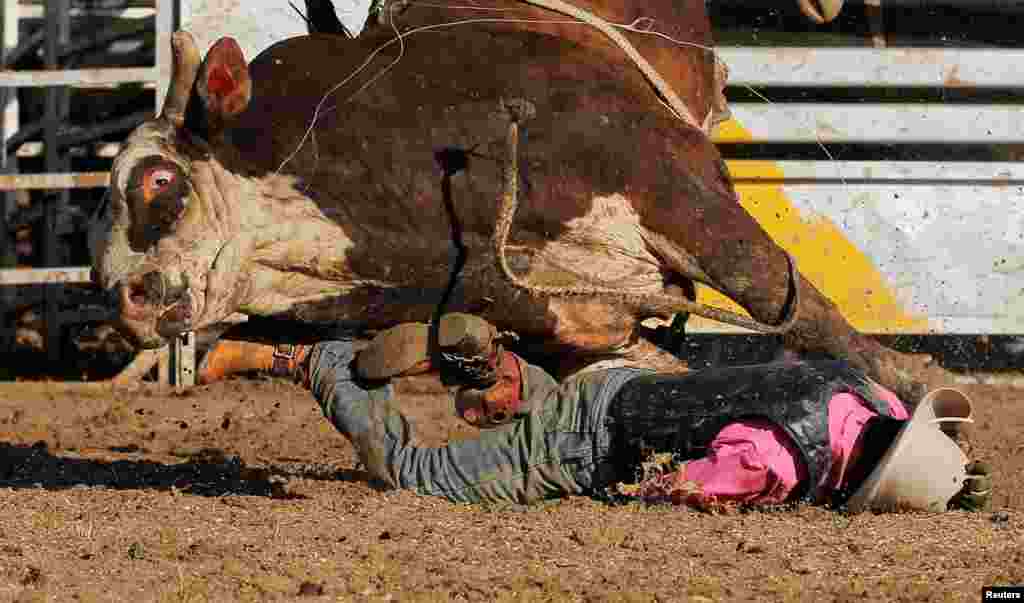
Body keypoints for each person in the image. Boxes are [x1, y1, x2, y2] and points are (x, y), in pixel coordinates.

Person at [198, 313, 992, 512]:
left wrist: (948, 471)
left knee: (557, 415)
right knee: (416, 473)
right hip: (590, 441)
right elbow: (686, 484)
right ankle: (306, 359)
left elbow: (902, 417)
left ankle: (489, 367)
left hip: (615, 383)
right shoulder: (781, 460)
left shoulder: (862, 389)